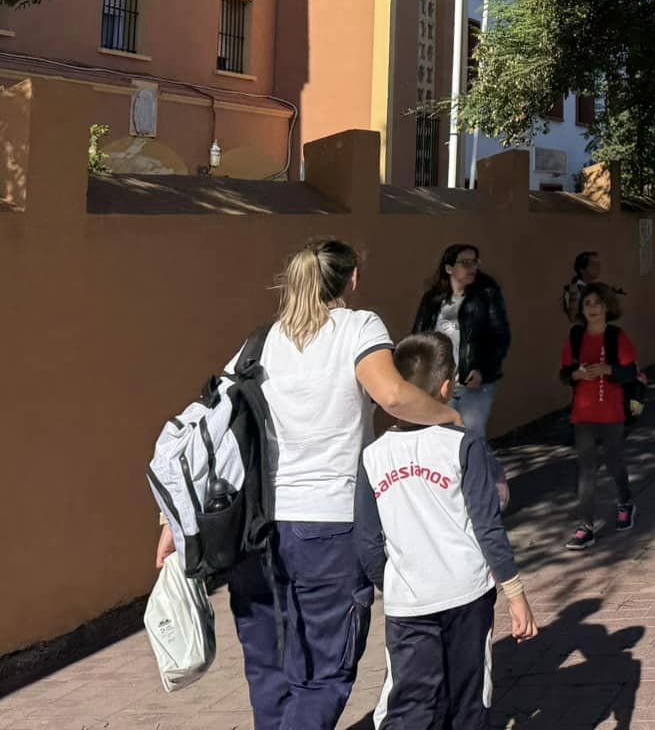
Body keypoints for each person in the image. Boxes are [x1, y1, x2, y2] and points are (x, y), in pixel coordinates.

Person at [155, 238, 461, 730]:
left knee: (268, 669)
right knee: (321, 672)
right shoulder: (359, 327)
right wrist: (450, 416)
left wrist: (176, 519)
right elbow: (393, 396)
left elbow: (209, 432)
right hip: (329, 528)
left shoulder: (259, 343)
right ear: (352, 279)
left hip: (256, 533)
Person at [356, 333, 536, 730]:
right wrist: (515, 593)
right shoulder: (463, 445)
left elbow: (367, 542)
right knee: (469, 699)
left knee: (411, 703)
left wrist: (395, 581)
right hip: (467, 594)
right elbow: (487, 525)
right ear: (445, 387)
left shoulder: (371, 456)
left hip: (408, 604)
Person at [559, 283, 643, 550]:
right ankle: (585, 525)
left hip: (612, 410)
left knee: (613, 460)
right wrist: (577, 374)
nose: (592, 308)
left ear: (607, 306)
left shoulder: (617, 336)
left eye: (597, 303)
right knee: (586, 469)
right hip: (583, 413)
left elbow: (630, 372)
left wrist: (608, 369)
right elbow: (564, 372)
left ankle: (625, 502)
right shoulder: (575, 336)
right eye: (587, 304)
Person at [412, 243, 512, 439]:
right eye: (465, 263)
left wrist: (482, 368)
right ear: (449, 268)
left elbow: (500, 336)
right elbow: (418, 337)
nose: (472, 268)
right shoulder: (432, 300)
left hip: (473, 384)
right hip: (439, 384)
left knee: (470, 438)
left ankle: (473, 471)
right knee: (440, 437)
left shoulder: (486, 296)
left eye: (475, 262)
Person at [562, 250, 604, 319]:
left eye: (598, 265)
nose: (597, 268)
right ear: (581, 269)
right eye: (593, 265)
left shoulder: (595, 288)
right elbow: (573, 317)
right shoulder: (574, 289)